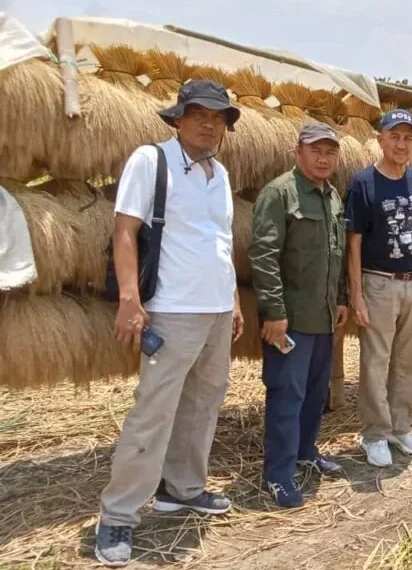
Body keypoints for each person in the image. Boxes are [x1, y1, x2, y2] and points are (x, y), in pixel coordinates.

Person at [95, 80, 244, 567]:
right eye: (200, 114)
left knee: (204, 403)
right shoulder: (150, 161)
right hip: (172, 309)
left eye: (219, 117)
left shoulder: (219, 174)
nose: (209, 123)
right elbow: (124, 231)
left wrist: (235, 301)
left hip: (217, 310)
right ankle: (118, 513)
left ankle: (183, 488)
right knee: (154, 410)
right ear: (178, 117)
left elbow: (220, 243)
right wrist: (130, 300)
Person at [249, 122, 349, 507]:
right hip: (290, 320)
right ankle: (278, 475)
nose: (323, 159)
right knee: (286, 395)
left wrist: (340, 299)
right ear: (298, 153)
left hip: (323, 318)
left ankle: (306, 452)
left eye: (330, 152)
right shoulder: (280, 193)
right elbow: (264, 255)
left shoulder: (332, 196)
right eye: (316, 151)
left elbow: (335, 254)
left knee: (313, 393)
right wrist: (274, 312)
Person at [345, 109, 412, 467]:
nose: (401, 144)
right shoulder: (364, 183)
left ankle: (402, 427)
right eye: (394, 136)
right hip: (378, 283)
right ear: (380, 139)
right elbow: (353, 242)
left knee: (409, 361)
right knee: (375, 362)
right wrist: (356, 293)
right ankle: (375, 434)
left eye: (408, 137)